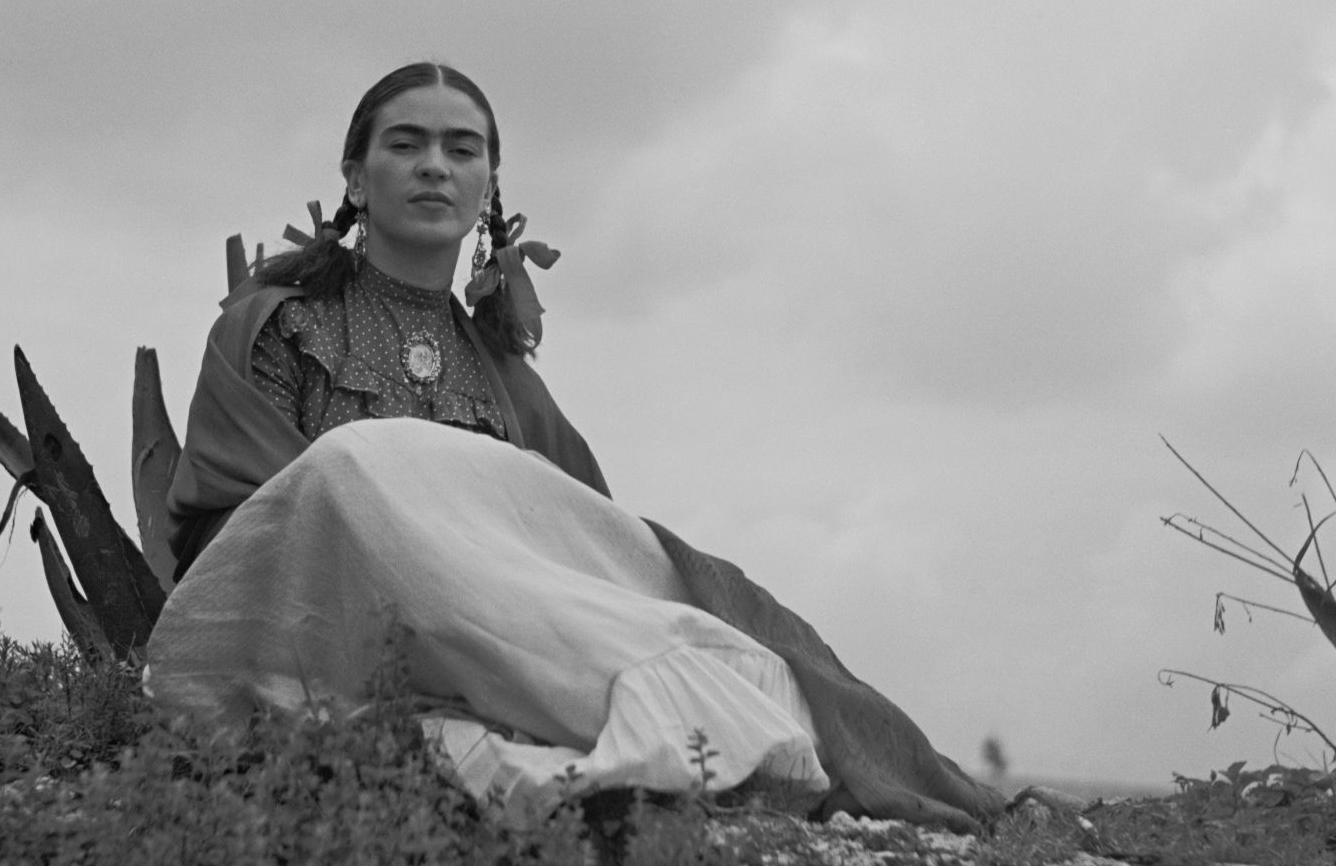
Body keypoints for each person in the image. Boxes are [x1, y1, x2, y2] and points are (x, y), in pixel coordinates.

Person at [144, 63, 1003, 831]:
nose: (435, 165)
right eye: (406, 145)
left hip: (490, 644)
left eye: (462, 149)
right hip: (323, 633)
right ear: (356, 179)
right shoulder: (276, 327)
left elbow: (573, 554)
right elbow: (244, 533)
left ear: (488, 184)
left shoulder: (508, 379)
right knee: (350, 467)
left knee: (743, 668)